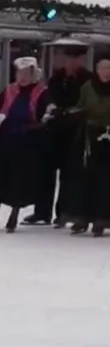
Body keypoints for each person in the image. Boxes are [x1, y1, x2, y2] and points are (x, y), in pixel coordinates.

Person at [59, 51, 110, 237]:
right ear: (97, 70)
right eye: (103, 68)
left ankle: (103, 219)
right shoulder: (88, 87)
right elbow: (80, 105)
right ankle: (82, 217)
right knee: (85, 177)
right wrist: (72, 113)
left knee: (109, 179)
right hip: (90, 134)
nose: (107, 72)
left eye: (109, 68)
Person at [23, 41, 92, 228]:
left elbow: (86, 103)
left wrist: (72, 112)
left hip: (74, 129)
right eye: (67, 58)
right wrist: (52, 109)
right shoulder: (56, 77)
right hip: (53, 129)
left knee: (70, 174)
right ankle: (42, 211)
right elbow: (50, 96)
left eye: (74, 58)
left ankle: (64, 212)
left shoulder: (87, 79)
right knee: (45, 171)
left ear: (81, 59)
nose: (69, 62)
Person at [0, 57, 51, 232]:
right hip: (6, 139)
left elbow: (46, 117)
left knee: (18, 178)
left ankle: (14, 213)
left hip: (28, 141)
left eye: (26, 73)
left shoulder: (42, 92)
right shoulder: (9, 90)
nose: (22, 77)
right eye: (19, 73)